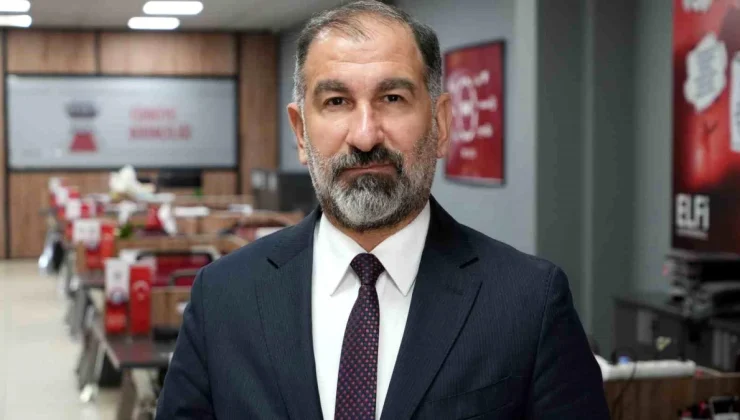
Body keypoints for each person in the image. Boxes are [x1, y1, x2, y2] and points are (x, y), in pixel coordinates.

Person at [156, 1, 609, 419]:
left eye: (392, 98)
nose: (365, 135)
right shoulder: (223, 297)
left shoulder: (528, 303)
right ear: (300, 133)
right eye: (336, 102)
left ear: (441, 124)